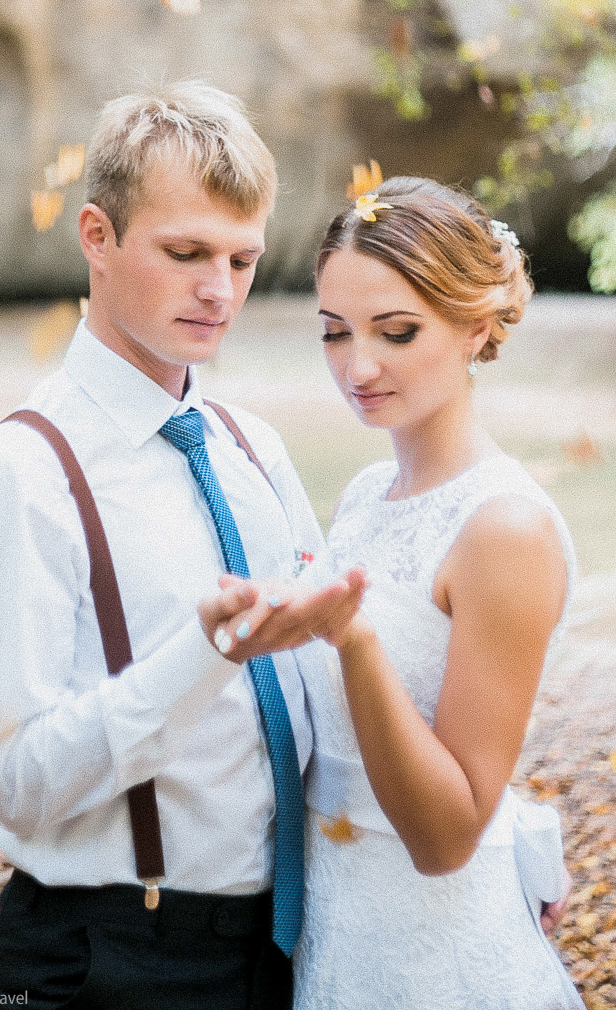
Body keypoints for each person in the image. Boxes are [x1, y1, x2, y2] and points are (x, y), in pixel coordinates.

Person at [0, 81, 366, 1010]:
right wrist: (203, 655)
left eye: (243, 260)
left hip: (282, 942)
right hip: (110, 956)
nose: (219, 290)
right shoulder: (20, 476)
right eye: (186, 252)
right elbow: (19, 789)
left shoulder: (254, 450)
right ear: (96, 237)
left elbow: (322, 705)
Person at [206, 177, 584, 1009]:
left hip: (436, 959)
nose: (358, 365)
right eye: (335, 333)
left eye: (397, 331)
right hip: (335, 932)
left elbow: (447, 835)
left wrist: (356, 642)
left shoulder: (505, 529)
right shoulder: (366, 494)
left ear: (476, 325)